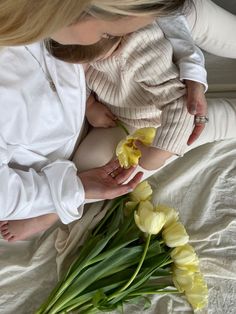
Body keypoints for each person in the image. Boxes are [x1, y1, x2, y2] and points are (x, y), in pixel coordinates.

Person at [0, 0, 236, 241]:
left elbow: (146, 13)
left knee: (191, 12)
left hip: (145, 100)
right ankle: (51, 209)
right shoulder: (76, 45)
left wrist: (192, 68)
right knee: (100, 162)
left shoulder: (114, 37)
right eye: (108, 32)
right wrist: (90, 106)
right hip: (112, 113)